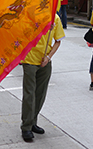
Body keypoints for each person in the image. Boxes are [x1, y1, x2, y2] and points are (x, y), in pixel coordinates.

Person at [20, 13, 65, 142]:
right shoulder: (31, 14)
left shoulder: (55, 18)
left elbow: (58, 41)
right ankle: (26, 127)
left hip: (45, 61)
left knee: (40, 94)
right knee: (29, 94)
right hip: (29, 59)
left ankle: (33, 121)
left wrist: (48, 57)